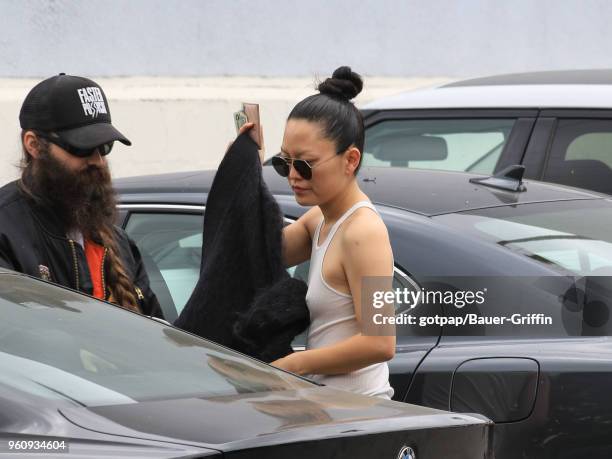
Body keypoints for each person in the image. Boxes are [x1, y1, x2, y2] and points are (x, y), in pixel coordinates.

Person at [252, 66, 396, 399]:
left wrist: (293, 365)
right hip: (328, 411)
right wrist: (244, 167)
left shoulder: (364, 233)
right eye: (283, 162)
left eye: (304, 164)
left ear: (350, 160)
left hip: (361, 417)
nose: (292, 175)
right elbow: (263, 252)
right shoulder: (321, 219)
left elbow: (380, 341)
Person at [0, 73, 163, 318]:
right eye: (82, 147)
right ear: (33, 144)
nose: (97, 160)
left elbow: (162, 339)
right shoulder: (6, 230)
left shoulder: (119, 243)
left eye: (105, 147)